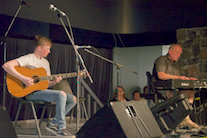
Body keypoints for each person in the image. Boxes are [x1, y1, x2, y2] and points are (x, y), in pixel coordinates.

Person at [2, 35, 77, 136]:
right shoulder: (29, 58)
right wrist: (23, 78)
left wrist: (54, 82)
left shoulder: (46, 62)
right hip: (29, 92)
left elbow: (45, 84)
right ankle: (61, 128)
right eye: (48, 49)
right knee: (61, 94)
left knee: (73, 99)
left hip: (41, 91)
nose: (49, 51)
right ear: (39, 48)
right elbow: (6, 66)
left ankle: (53, 123)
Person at [152, 43, 198, 128]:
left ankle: (185, 118)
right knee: (177, 94)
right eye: (177, 52)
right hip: (162, 88)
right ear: (170, 51)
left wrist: (188, 79)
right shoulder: (161, 60)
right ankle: (177, 119)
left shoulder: (176, 64)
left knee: (190, 92)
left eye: (180, 54)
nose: (179, 55)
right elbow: (161, 75)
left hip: (174, 88)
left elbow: (179, 80)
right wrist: (178, 77)